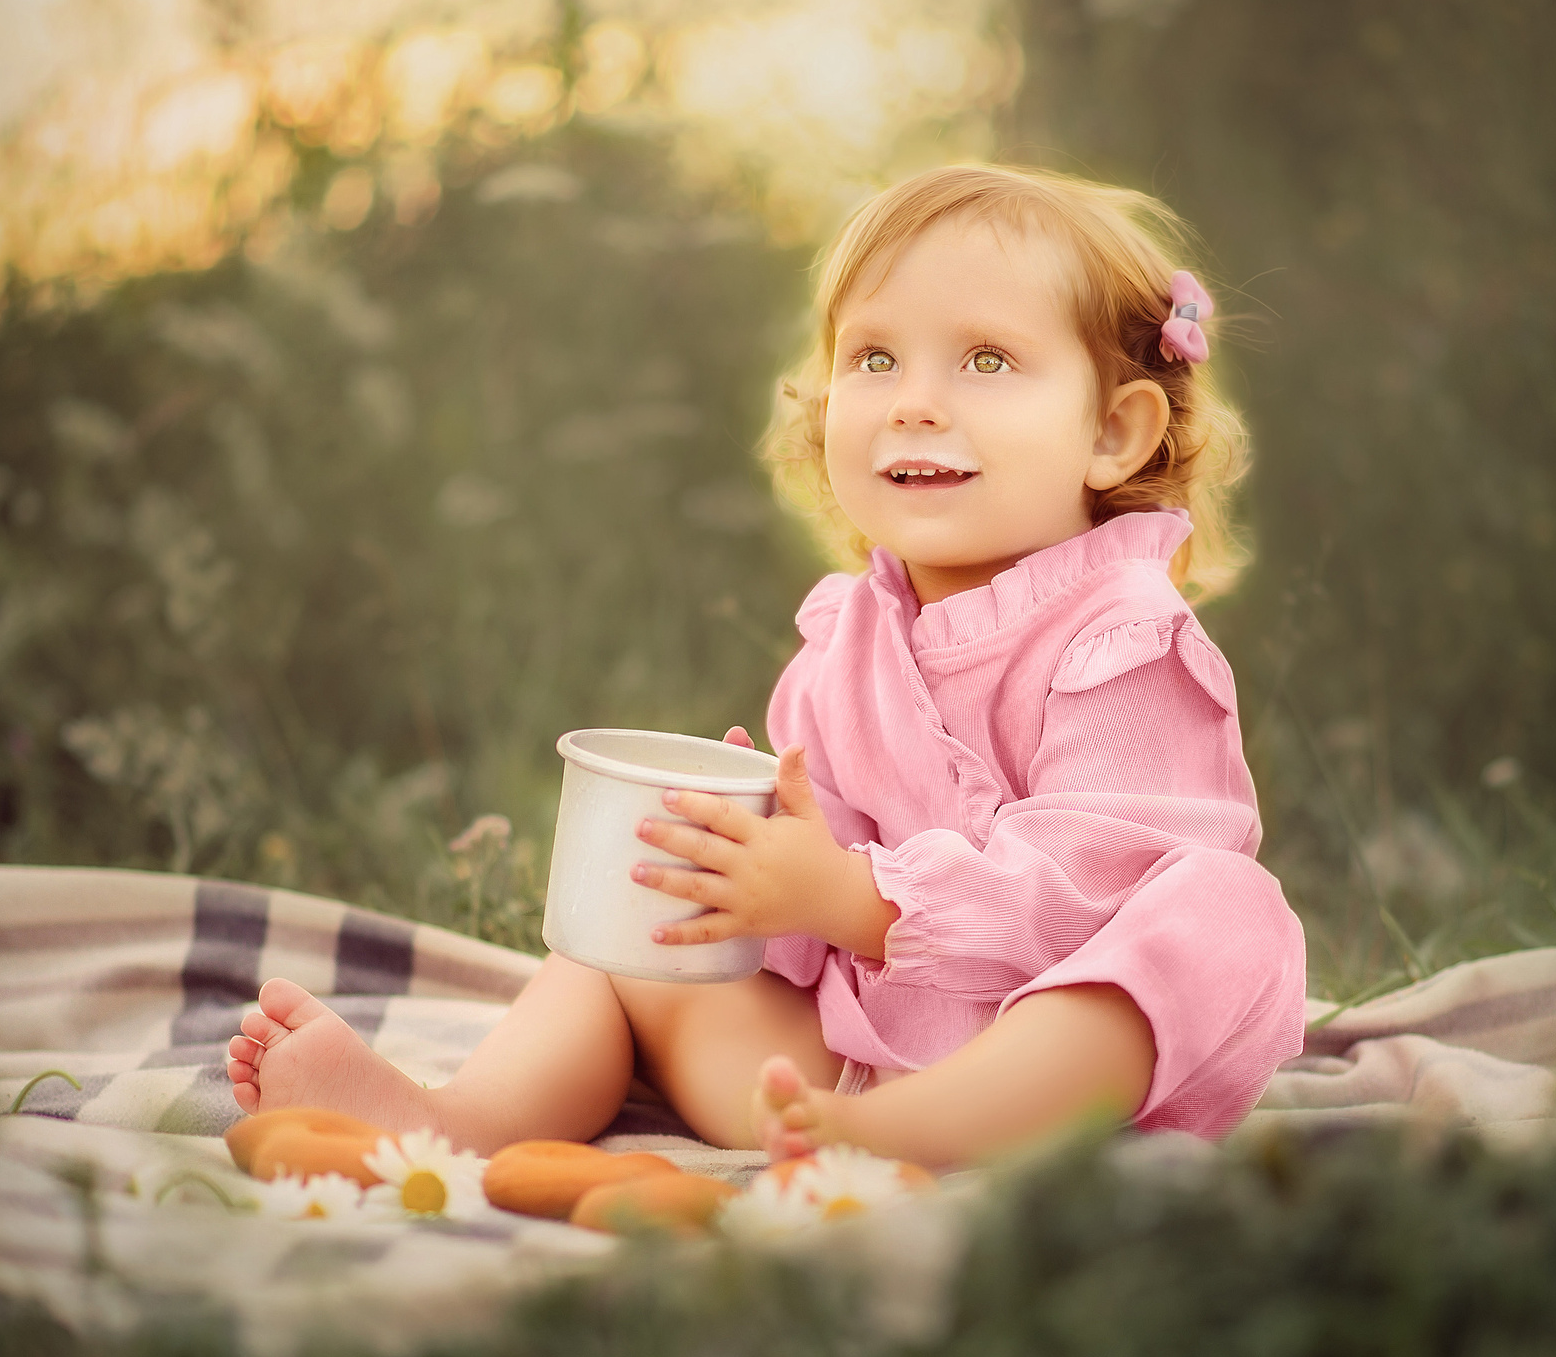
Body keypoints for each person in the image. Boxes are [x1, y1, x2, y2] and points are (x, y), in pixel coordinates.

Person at [226, 164, 1308, 1171]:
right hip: (830, 1069)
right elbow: (807, 906)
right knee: (642, 888)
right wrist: (749, 866)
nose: (914, 400)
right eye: (874, 358)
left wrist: (846, 893)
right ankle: (455, 1125)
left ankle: (904, 1135)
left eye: (986, 360)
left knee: (1224, 909)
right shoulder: (845, 642)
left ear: (1113, 433)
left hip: (1068, 1086)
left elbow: (1085, 894)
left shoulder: (1123, 636)